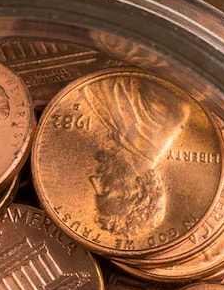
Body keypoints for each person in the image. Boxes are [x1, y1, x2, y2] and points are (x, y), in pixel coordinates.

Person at [80, 74, 190, 236]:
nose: (94, 181)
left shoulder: (125, 143)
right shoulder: (162, 123)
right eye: (106, 191)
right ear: (138, 188)